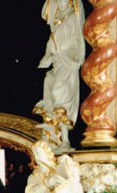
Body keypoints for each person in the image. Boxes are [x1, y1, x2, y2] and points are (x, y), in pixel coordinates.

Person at [33, 0, 85, 152]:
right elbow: (52, 39)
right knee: (48, 80)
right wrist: (50, 55)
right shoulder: (59, 19)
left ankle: (66, 140)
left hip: (68, 61)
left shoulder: (72, 18)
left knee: (59, 93)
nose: (60, 3)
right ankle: (55, 135)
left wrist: (55, 51)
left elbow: (72, 40)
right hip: (58, 62)